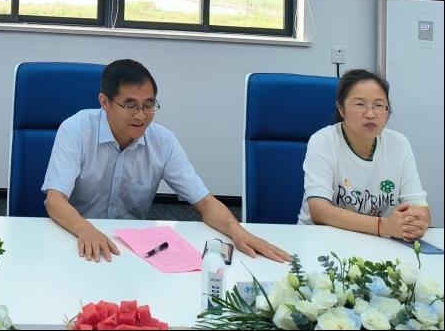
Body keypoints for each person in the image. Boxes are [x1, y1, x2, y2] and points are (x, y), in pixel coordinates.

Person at [43, 59, 291, 263]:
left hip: (130, 248)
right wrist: (86, 229)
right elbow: (55, 201)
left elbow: (205, 202)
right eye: (130, 106)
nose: (141, 116)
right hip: (74, 236)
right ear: (104, 102)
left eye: (149, 105)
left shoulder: (162, 141)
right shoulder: (75, 130)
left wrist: (239, 232)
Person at [299, 69, 430, 241]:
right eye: (360, 104)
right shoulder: (323, 141)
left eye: (379, 105)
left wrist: (416, 223)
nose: (370, 114)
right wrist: (382, 226)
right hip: (320, 241)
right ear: (341, 109)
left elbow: (420, 206)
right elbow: (320, 211)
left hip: (378, 244)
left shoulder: (399, 143)